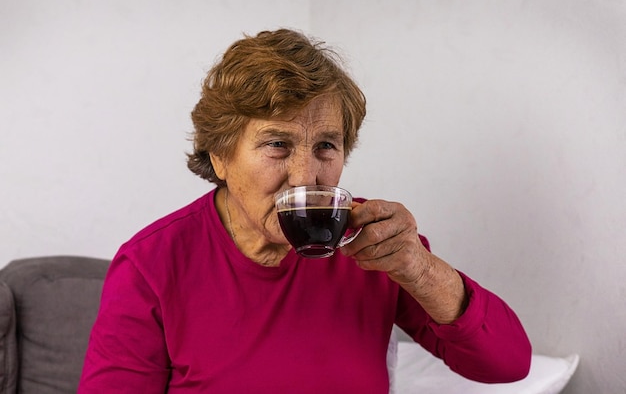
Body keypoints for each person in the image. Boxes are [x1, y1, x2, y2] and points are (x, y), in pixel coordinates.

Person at [78, 28, 531, 393]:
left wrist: (422, 270)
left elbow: (508, 365)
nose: (305, 177)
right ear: (220, 155)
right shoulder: (150, 266)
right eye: (278, 144)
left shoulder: (371, 244)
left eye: (326, 147)